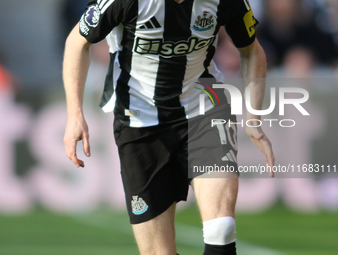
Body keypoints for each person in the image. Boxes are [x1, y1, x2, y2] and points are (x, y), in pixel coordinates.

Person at [63, 0, 275, 254]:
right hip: (140, 123)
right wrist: (74, 113)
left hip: (205, 112)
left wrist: (253, 119)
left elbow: (251, 50)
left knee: (222, 227)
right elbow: (77, 42)